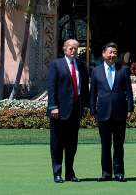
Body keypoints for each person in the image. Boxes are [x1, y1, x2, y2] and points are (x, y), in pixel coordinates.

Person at [89, 41, 134, 182]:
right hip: (103, 113)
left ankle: (119, 173)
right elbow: (93, 93)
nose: (113, 55)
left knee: (119, 145)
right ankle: (106, 173)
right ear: (104, 54)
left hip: (120, 113)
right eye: (110, 52)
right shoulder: (96, 71)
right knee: (105, 145)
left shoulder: (123, 69)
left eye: (115, 52)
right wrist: (92, 110)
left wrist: (130, 108)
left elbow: (129, 92)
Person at [46, 38, 89, 183]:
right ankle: (57, 173)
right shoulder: (56, 65)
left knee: (72, 144)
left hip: (75, 111)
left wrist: (86, 106)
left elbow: (84, 88)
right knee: (57, 143)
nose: (73, 51)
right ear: (64, 49)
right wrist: (53, 106)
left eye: (76, 48)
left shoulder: (82, 66)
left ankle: (70, 172)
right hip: (58, 111)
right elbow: (51, 88)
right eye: (70, 48)